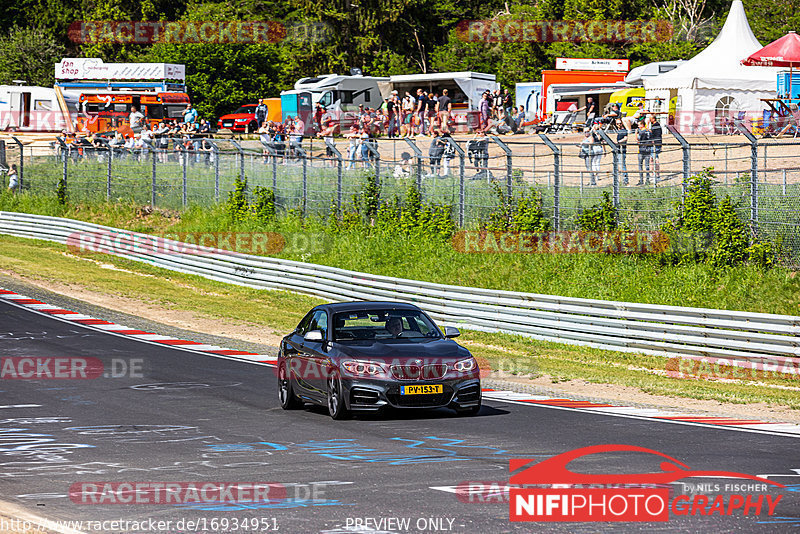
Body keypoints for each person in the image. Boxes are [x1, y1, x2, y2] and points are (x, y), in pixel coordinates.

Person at [636, 116, 651, 185]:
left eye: (639, 125)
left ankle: (641, 180)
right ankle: (647, 180)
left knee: (640, 165)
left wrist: (636, 134)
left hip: (642, 150)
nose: (638, 127)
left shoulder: (642, 132)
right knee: (647, 166)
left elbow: (638, 140)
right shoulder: (649, 131)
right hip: (648, 150)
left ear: (642, 125)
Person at [615, 118, 629, 185]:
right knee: (619, 166)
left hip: (622, 150)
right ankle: (621, 180)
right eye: (617, 124)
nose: (619, 125)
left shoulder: (624, 130)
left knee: (623, 166)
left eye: (620, 123)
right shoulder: (618, 131)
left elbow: (626, 138)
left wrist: (618, 142)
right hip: (618, 150)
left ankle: (625, 180)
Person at [648, 114, 662, 183]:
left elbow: (652, 133)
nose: (649, 120)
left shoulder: (656, 126)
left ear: (653, 119)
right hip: (655, 144)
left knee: (655, 159)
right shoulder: (656, 125)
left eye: (650, 119)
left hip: (655, 144)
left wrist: (647, 126)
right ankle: (653, 174)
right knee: (652, 159)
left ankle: (657, 175)